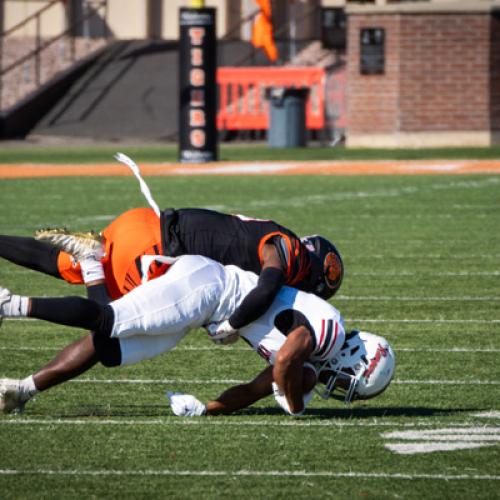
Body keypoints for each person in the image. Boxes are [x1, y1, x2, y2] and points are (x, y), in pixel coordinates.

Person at [0, 255, 394, 416]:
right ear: (354, 359)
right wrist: (295, 404)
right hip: (207, 287)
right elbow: (289, 356)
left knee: (110, 349)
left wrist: (208, 409)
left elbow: (252, 390)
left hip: (201, 312)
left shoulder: (312, 360)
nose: (341, 388)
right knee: (109, 319)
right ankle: (9, 303)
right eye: (350, 383)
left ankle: (22, 389)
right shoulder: (329, 331)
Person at [0, 207, 344, 340]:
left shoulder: (279, 237)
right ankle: (11, 304)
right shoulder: (288, 250)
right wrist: (233, 324)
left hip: (144, 224)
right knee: (107, 327)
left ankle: (88, 258)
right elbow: (269, 283)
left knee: (57, 262)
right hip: (157, 249)